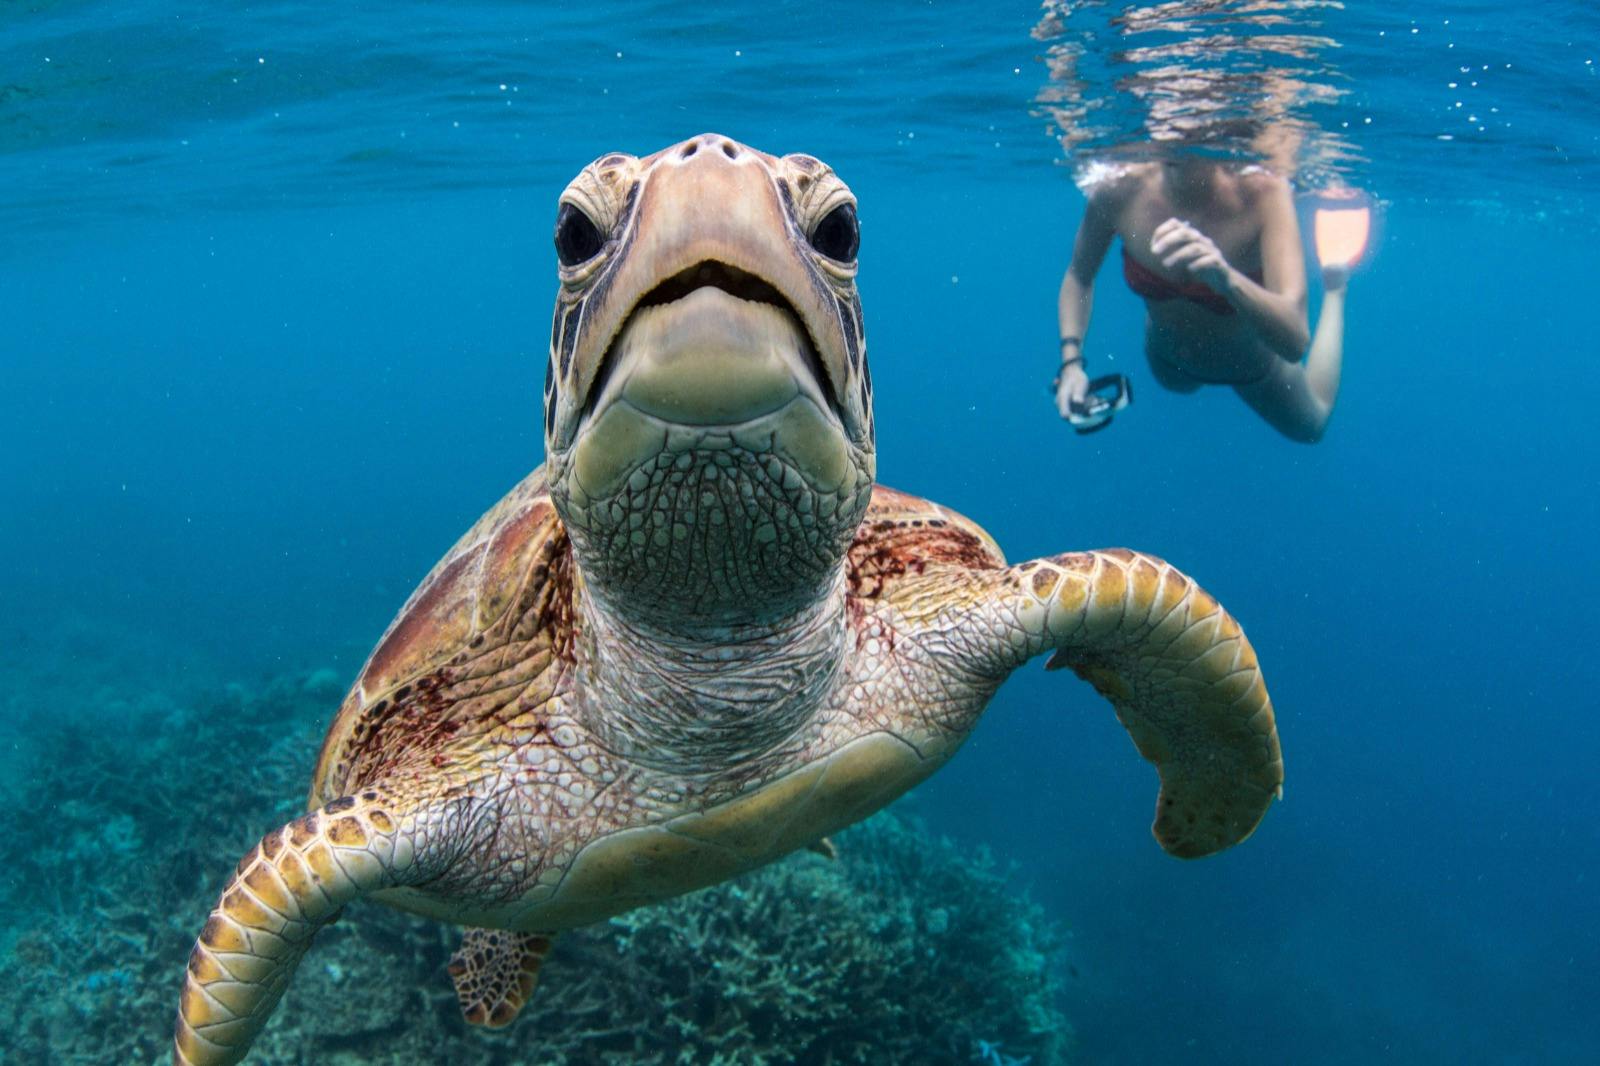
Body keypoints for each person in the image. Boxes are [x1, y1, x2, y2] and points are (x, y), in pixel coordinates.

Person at [1053, 152, 1366, 442]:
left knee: (1312, 427)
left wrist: (1226, 280)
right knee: (1180, 389)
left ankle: (1335, 286)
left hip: (1254, 371)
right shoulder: (1119, 186)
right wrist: (1071, 365)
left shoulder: (1263, 191)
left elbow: (1294, 342)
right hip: (1167, 364)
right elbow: (1079, 276)